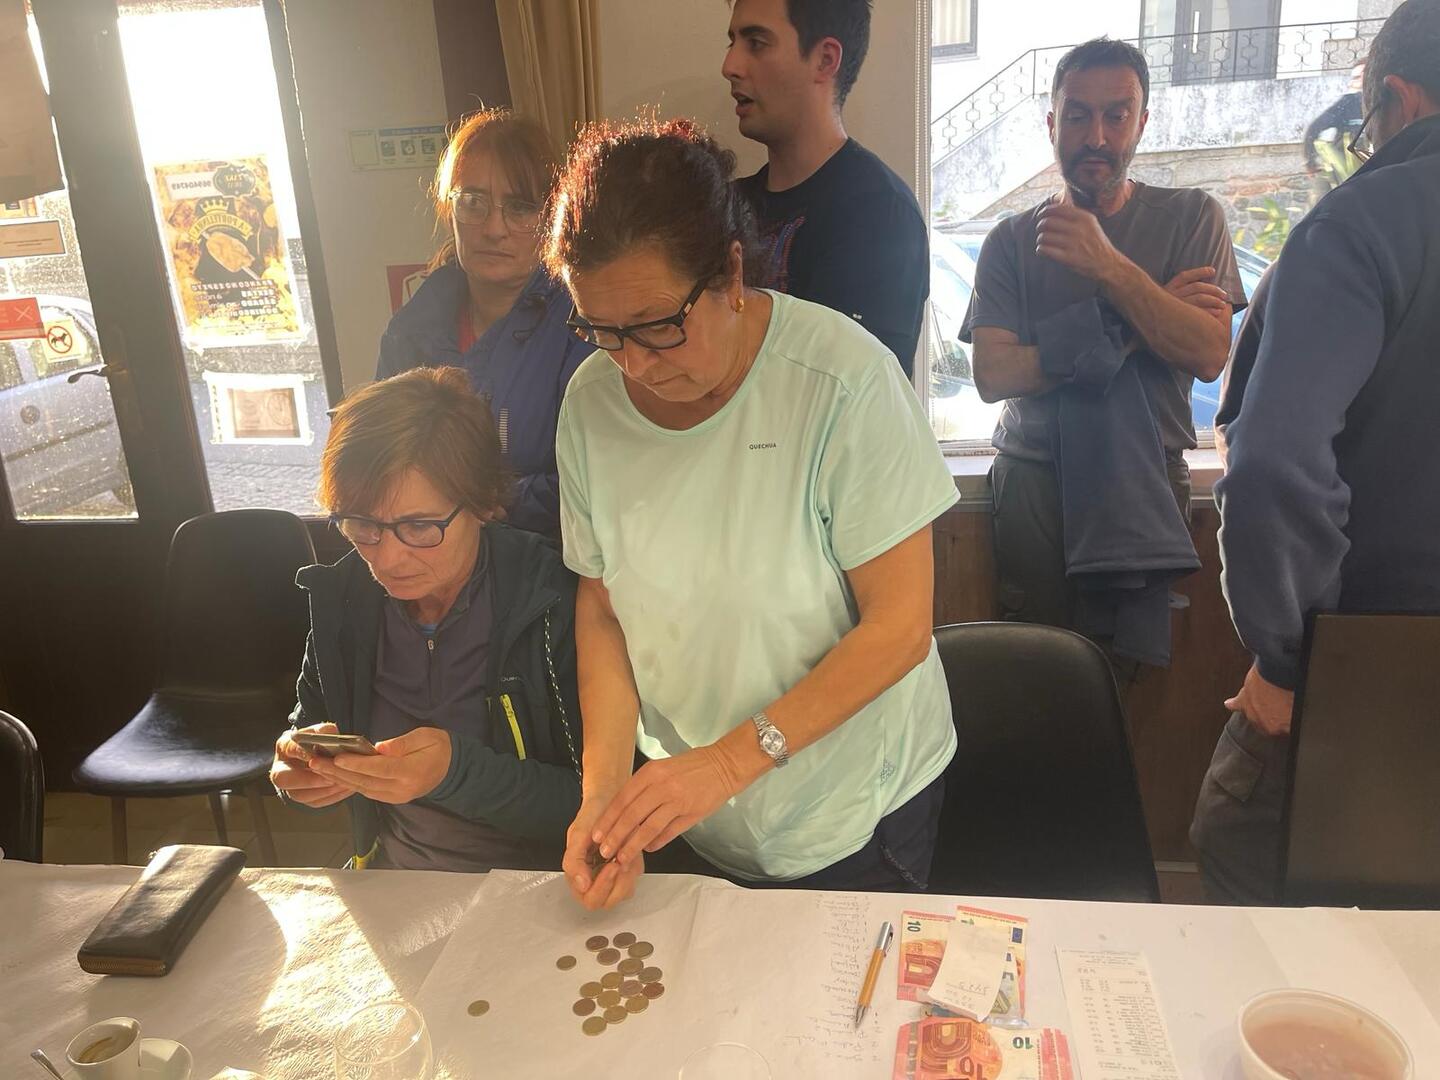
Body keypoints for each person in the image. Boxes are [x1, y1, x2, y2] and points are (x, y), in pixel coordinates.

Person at [547, 118, 959, 909]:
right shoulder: (591, 405)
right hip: (692, 810)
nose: (635, 365)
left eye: (659, 328)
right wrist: (605, 791)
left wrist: (728, 763)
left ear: (730, 273)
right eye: (603, 332)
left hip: (851, 809)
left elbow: (900, 627)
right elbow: (602, 606)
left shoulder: (841, 383)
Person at [1192, 0, 1440, 905]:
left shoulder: (1366, 221)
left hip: (1370, 664)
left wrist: (1292, 662)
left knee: (1242, 851)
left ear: (1398, 100)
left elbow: (1271, 462)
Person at [960, 38, 1245, 662]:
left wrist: (1111, 268)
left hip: (1147, 479)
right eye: (1078, 115)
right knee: (1040, 675)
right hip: (1036, 480)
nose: (1097, 136)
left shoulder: (1193, 217)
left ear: (1141, 121)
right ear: (1052, 124)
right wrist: (1136, 324)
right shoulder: (1011, 240)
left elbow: (1206, 353)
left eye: (1116, 115)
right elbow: (994, 373)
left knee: (1126, 687)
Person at [269, 367, 582, 872]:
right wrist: (297, 766)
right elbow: (308, 725)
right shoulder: (344, 597)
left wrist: (454, 773)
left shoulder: (552, 600)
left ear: (483, 503)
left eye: (418, 526)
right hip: (393, 878)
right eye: (361, 524)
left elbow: (599, 803)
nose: (386, 559)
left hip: (538, 889)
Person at [376, 108, 589, 537]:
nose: (494, 229)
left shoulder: (582, 326)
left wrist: (499, 499)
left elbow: (602, 481)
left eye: (521, 207)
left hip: (553, 564)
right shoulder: (410, 330)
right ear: (448, 209)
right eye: (473, 202)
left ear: (552, 217)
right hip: (433, 559)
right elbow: (379, 461)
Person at [724, 0, 929, 377]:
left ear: (825, 59)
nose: (730, 66)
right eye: (732, 42)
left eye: (756, 43)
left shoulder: (879, 214)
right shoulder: (724, 206)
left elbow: (853, 391)